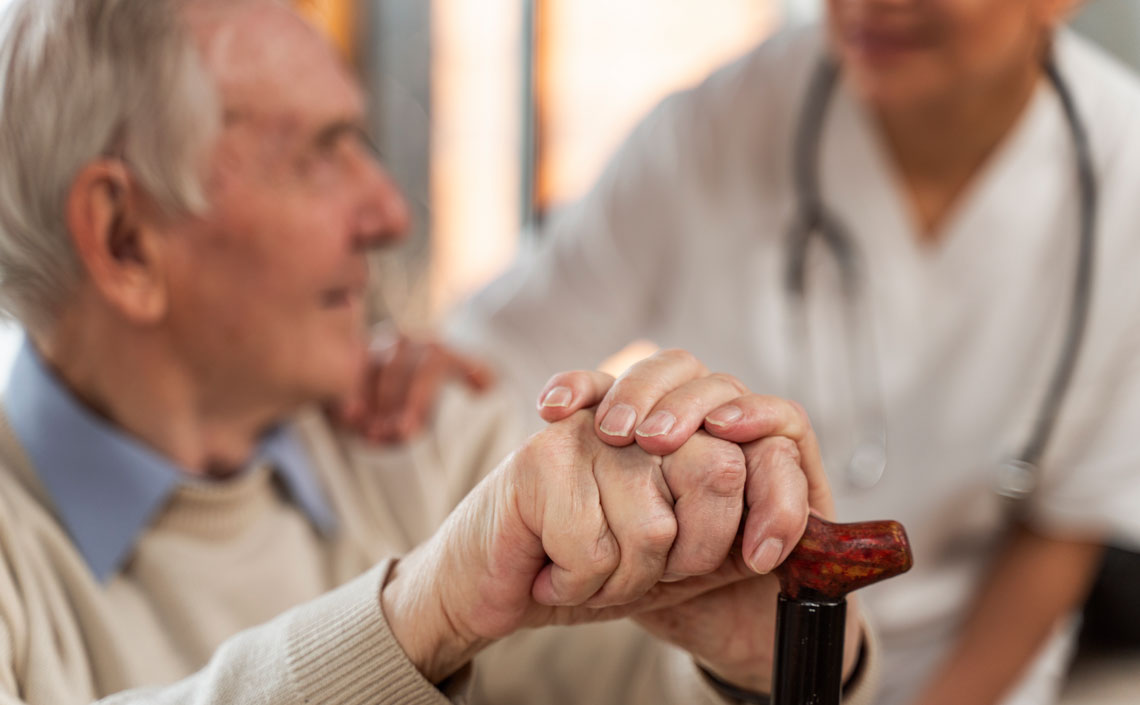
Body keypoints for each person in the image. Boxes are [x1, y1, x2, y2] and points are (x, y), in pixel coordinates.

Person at [0, 1, 885, 704]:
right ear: (122, 238)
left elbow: (660, 686)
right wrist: (414, 616)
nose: (389, 213)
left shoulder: (430, 443)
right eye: (317, 155)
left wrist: (771, 655)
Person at [355, 1, 1140, 704]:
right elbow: (504, 348)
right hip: (737, 661)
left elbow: (1062, 526)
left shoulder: (1122, 170)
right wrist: (425, 367)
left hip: (973, 668)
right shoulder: (716, 130)